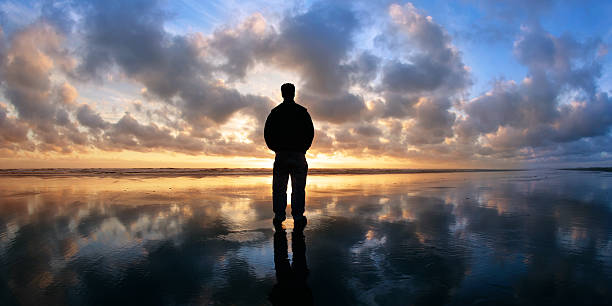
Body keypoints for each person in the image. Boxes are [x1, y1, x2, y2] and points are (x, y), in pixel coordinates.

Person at [264, 83, 314, 229]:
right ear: (293, 93)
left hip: (282, 155)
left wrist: (276, 149)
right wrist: (303, 149)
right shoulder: (302, 111)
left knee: (279, 188)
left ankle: (279, 216)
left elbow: (267, 134)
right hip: (297, 155)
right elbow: (310, 133)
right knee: (299, 188)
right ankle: (297, 216)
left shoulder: (275, 112)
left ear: (282, 94)